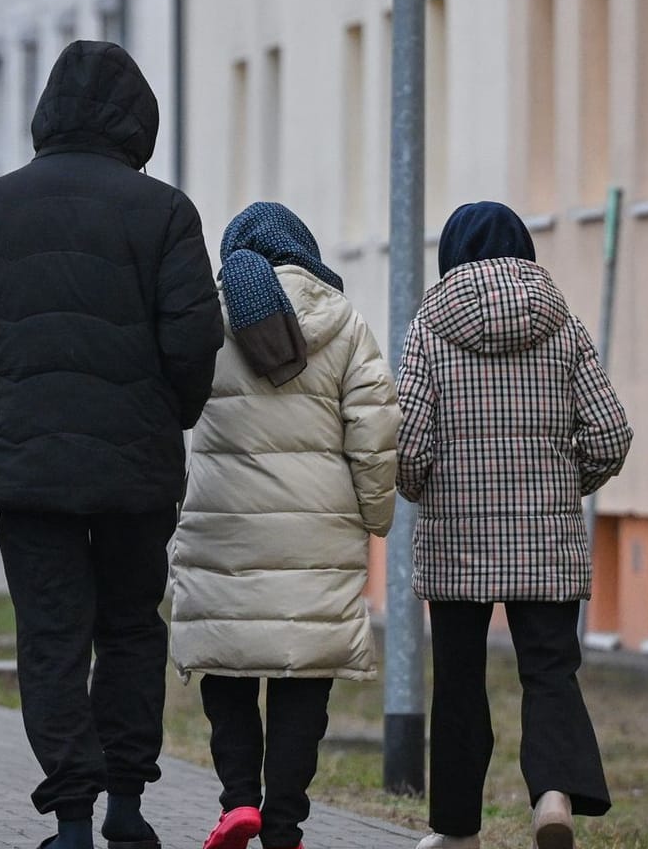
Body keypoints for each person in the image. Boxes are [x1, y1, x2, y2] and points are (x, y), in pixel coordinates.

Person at [0, 41, 222, 849]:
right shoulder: (165, 211)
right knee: (131, 627)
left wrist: (6, 409)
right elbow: (195, 336)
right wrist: (170, 414)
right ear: (139, 119)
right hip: (137, 467)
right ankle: (127, 808)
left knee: (52, 638)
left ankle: (70, 819)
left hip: (33, 472)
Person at [396, 202, 633, 849]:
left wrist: (423, 490)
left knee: (460, 681)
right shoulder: (564, 324)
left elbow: (408, 446)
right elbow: (611, 434)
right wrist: (564, 485)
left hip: (457, 540)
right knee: (550, 670)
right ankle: (553, 795)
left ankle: (457, 831)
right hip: (546, 538)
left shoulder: (428, 327)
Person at [169, 203, 398, 849]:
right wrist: (375, 517)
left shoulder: (207, 318)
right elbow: (377, 431)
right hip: (317, 536)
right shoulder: (344, 322)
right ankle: (285, 825)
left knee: (228, 669)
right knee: (304, 684)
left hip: (222, 530)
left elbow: (169, 406)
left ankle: (239, 803)